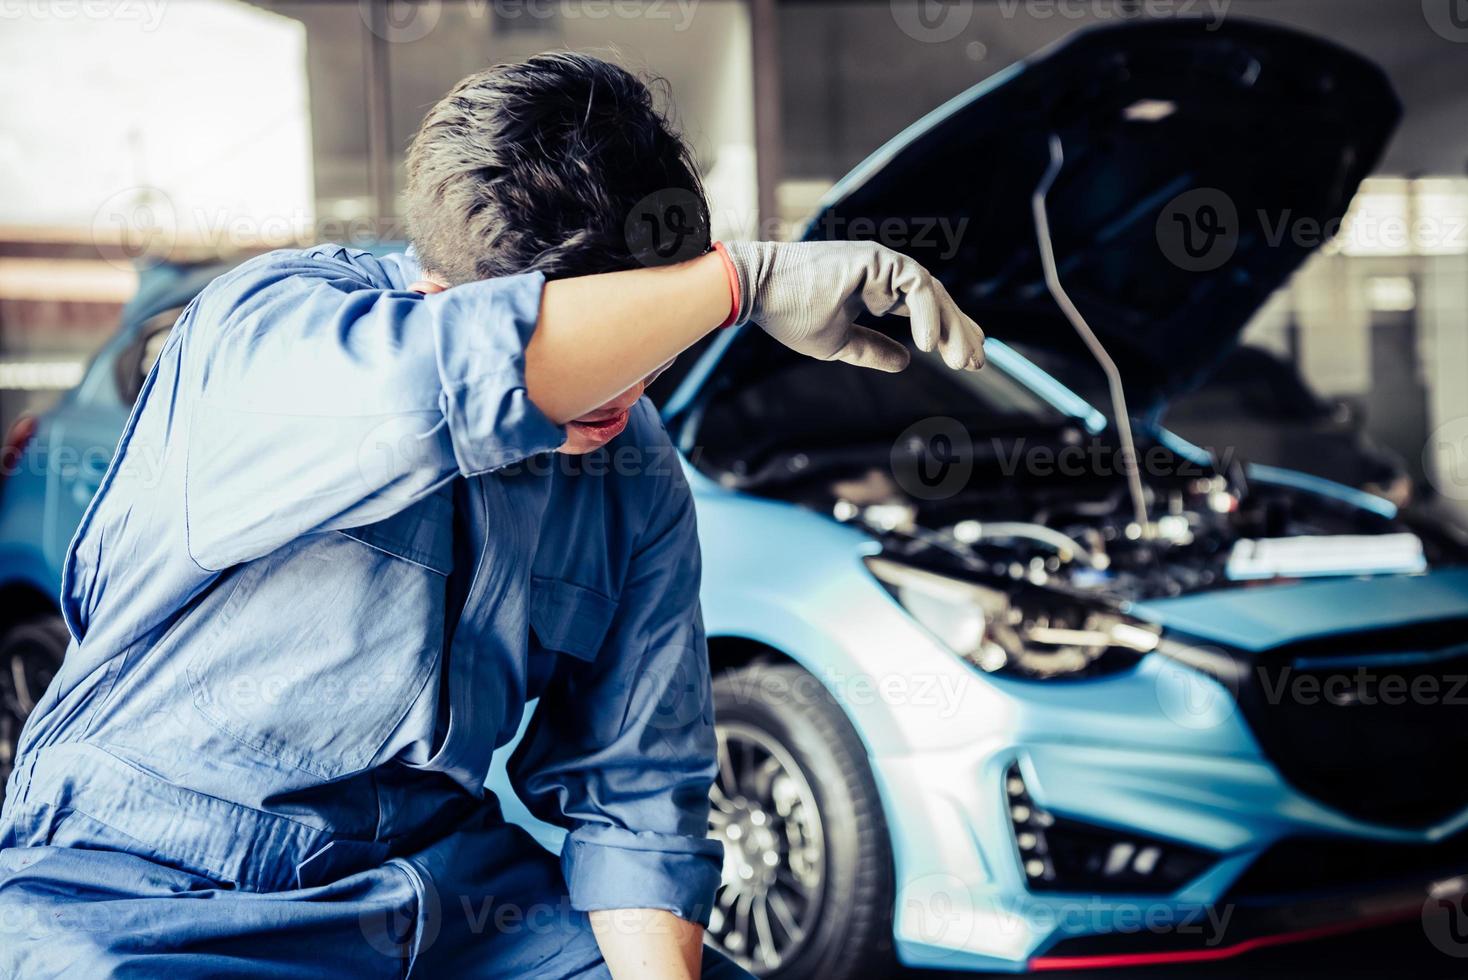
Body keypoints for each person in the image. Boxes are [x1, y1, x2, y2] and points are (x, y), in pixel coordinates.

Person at [0, 53, 983, 978]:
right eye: (605, 346)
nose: (619, 393)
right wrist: (740, 283)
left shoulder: (634, 473)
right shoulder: (260, 335)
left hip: (440, 897)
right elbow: (433, 383)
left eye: (649, 341)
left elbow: (635, 794)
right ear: (439, 291)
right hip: (137, 880)